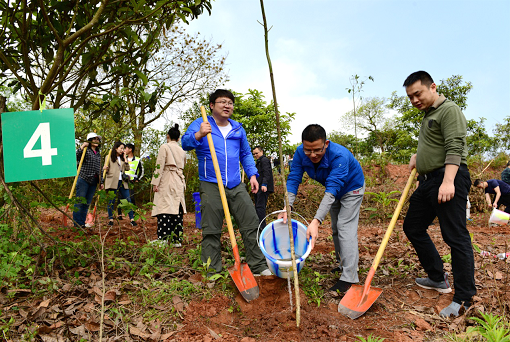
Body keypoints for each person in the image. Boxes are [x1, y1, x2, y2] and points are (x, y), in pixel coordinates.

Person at [402, 71, 474, 317]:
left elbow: (455, 146)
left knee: (456, 237)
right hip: (428, 181)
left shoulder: (449, 110)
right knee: (412, 226)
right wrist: (418, 157)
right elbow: (435, 143)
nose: (414, 100)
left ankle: (464, 298)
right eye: (410, 97)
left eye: (418, 94)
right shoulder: (429, 114)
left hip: (447, 178)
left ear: (432, 87)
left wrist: (449, 181)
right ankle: (437, 277)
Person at [181, 89, 270, 276]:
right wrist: (198, 135)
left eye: (230, 102)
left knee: (251, 222)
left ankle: (258, 265)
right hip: (211, 183)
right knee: (211, 228)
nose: (227, 105)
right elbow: (185, 143)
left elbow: (245, 154)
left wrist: (253, 175)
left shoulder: (238, 128)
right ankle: (212, 270)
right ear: (212, 105)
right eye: (222, 102)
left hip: (235, 184)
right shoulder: (201, 123)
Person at [279, 124, 365, 293]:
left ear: (326, 143)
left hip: (352, 188)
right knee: (335, 229)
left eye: (317, 150)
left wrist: (316, 221)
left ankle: (349, 278)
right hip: (333, 190)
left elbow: (332, 189)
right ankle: (343, 265)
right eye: (308, 150)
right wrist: (287, 206)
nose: (312, 155)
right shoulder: (299, 153)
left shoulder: (339, 156)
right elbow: (294, 179)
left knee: (344, 227)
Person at [151, 124, 187, 246]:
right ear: (178, 138)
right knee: (177, 207)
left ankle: (163, 238)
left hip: (167, 178)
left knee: (164, 207)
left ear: (168, 136)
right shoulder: (182, 151)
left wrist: (155, 182)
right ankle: (177, 239)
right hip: (179, 179)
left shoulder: (164, 147)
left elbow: (159, 166)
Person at [103, 141, 137, 226]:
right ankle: (111, 219)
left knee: (128, 200)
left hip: (122, 182)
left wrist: (125, 159)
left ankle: (132, 219)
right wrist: (105, 168)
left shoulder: (122, 158)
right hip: (112, 181)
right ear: (116, 148)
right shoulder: (109, 157)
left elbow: (127, 168)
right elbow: (106, 170)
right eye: (121, 148)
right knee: (111, 201)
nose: (122, 150)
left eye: (123, 148)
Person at [73, 133, 103, 228]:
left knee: (86, 203)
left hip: (93, 181)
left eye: (97, 139)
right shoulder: (86, 150)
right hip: (84, 179)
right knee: (79, 202)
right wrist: (82, 147)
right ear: (89, 140)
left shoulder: (98, 154)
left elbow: (99, 169)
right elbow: (76, 157)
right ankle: (77, 223)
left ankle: (82, 223)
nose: (96, 140)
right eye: (94, 139)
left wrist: (101, 181)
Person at [117, 143, 144, 220]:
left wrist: (137, 178)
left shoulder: (137, 159)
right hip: (122, 180)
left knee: (131, 197)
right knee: (120, 197)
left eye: (125, 148)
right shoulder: (122, 158)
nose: (124, 150)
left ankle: (134, 213)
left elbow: (141, 170)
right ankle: (119, 214)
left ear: (130, 149)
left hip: (131, 181)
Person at [252, 146, 274, 228]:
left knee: (260, 207)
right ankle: (259, 225)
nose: (255, 155)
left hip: (263, 187)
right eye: (254, 154)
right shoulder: (259, 161)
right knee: (258, 207)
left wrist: (264, 184)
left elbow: (267, 172)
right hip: (258, 187)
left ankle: (262, 227)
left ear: (261, 152)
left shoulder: (264, 160)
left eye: (257, 153)